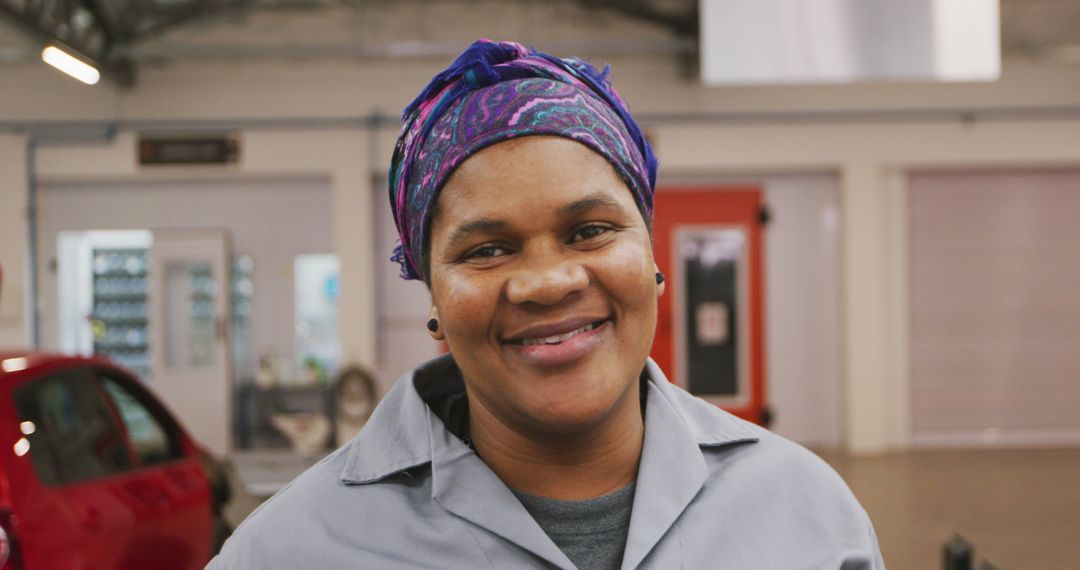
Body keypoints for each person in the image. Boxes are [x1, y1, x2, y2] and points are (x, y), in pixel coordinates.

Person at [209, 39, 884, 569]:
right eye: (486, 250)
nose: (548, 282)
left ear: (650, 259)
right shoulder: (291, 549)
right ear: (434, 299)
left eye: (589, 231)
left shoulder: (807, 513)